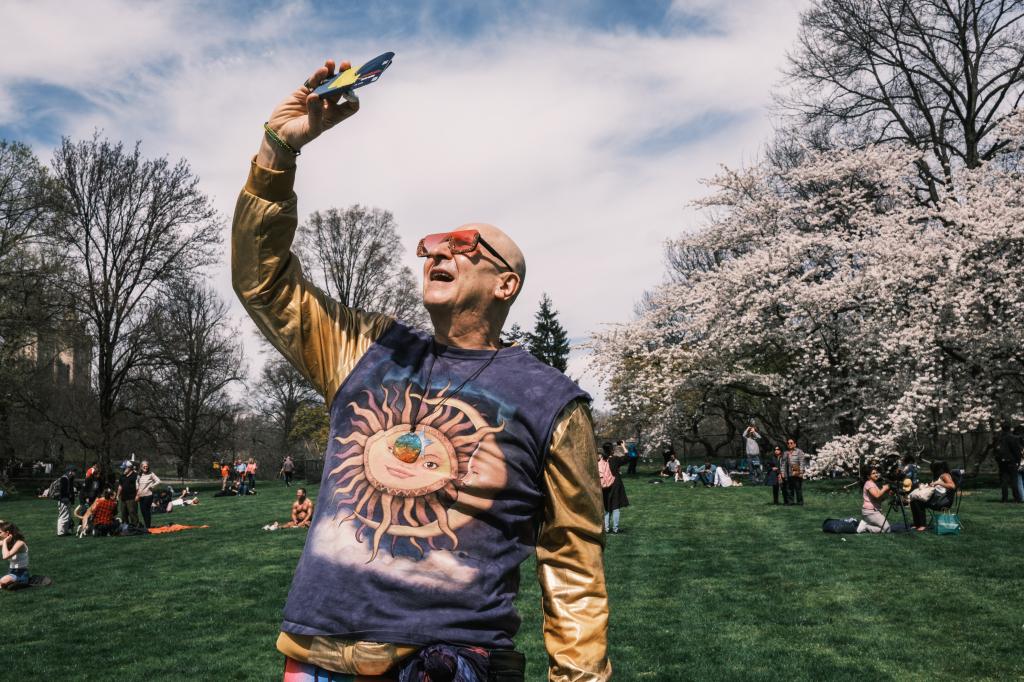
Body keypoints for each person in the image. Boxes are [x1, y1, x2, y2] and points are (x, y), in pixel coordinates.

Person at [233, 58, 609, 681]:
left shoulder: (551, 401)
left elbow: (571, 563)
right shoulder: (366, 348)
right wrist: (278, 153)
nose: (437, 251)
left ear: (506, 283)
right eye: (432, 244)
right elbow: (263, 281)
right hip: (314, 660)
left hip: (449, 663)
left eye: (463, 246)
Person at [910, 460, 957, 531]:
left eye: (932, 468)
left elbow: (952, 486)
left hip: (942, 502)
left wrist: (939, 483)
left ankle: (922, 525)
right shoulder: (937, 476)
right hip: (936, 500)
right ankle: (917, 524)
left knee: (918, 502)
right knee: (914, 501)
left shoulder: (945, 475)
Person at [599, 443, 629, 534]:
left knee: (607, 508)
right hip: (615, 484)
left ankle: (606, 528)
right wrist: (623, 446)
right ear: (612, 450)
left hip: (605, 486)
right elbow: (628, 458)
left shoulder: (601, 460)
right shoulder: (615, 460)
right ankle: (615, 528)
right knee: (616, 507)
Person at [995, 423, 1023, 503]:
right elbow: (1016, 451)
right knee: (1014, 480)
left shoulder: (999, 438)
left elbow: (996, 450)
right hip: (1011, 461)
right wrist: (1018, 460)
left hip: (1002, 462)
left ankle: (1004, 499)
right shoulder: (1013, 438)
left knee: (1004, 481)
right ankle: (1016, 498)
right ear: (1010, 429)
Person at [860, 466, 891, 533]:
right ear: (868, 476)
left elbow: (879, 498)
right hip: (870, 512)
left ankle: (868, 525)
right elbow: (877, 495)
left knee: (885, 528)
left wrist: (888, 494)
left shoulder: (873, 484)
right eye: (873, 473)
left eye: (876, 473)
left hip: (874, 511)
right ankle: (865, 527)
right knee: (887, 529)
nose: (876, 474)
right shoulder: (869, 484)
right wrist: (884, 488)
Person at [0, 521, 29, 589]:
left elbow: (5, 556)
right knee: (4, 580)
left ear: (7, 533)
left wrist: (4, 542)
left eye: (0, 533)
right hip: (11, 572)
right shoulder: (8, 542)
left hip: (21, 574)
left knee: (3, 581)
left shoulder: (20, 543)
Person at [136, 460, 162, 529]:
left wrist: (152, 486)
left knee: (146, 511)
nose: (145, 468)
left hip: (148, 495)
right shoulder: (139, 475)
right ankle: (147, 525)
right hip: (141, 495)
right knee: (142, 511)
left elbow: (158, 481)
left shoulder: (151, 474)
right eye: (144, 467)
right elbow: (137, 483)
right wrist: (137, 492)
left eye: (146, 466)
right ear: (141, 467)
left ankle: (148, 526)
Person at [782, 438, 805, 506]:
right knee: (789, 488)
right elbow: (783, 464)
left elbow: (802, 462)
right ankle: (790, 502)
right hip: (788, 472)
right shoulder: (785, 453)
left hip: (796, 471)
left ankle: (800, 502)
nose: (790, 444)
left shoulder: (799, 451)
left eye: (791, 443)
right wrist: (783, 473)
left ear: (795, 444)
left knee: (798, 488)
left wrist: (801, 472)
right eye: (788, 443)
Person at [117, 462, 140, 528]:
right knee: (123, 514)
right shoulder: (122, 476)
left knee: (132, 513)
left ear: (129, 468)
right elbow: (120, 486)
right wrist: (117, 496)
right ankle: (125, 527)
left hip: (132, 498)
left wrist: (137, 496)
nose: (123, 470)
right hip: (123, 498)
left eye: (124, 468)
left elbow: (138, 487)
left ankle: (136, 527)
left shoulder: (135, 475)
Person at [56, 468, 75, 536]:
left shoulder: (68, 479)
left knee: (67, 516)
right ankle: (60, 532)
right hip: (63, 500)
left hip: (66, 500)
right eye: (74, 471)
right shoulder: (64, 479)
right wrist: (65, 499)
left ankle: (65, 531)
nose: (74, 473)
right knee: (63, 516)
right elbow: (62, 491)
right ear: (70, 472)